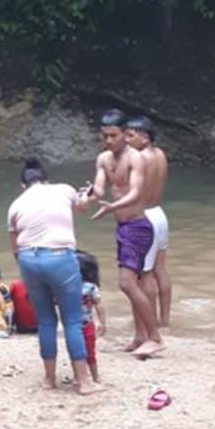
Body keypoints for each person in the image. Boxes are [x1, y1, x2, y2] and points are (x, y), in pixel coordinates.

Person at [7, 158, 100, 398]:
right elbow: (81, 207)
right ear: (46, 180)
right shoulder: (64, 189)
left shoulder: (15, 204)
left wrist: (31, 271)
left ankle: (49, 379)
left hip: (28, 259)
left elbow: (15, 249)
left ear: (23, 186)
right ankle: (83, 382)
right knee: (72, 320)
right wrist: (88, 196)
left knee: (46, 321)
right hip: (60, 257)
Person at [89, 110, 165, 359]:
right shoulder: (103, 159)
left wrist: (113, 207)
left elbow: (135, 193)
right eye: (104, 136)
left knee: (127, 282)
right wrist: (86, 196)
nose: (109, 141)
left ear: (124, 134)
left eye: (113, 136)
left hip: (139, 225)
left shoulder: (137, 159)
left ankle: (155, 337)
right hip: (123, 227)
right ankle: (142, 336)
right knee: (133, 281)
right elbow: (99, 189)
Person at [127, 115, 172, 329]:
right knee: (160, 269)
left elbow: (132, 193)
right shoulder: (160, 154)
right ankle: (164, 320)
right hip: (159, 214)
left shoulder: (140, 159)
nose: (127, 140)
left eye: (131, 135)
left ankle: (148, 323)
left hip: (144, 217)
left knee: (143, 274)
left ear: (144, 137)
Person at [76, 251, 105, 383]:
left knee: (86, 352)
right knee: (82, 352)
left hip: (81, 324)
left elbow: (98, 304)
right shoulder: (90, 287)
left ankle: (94, 376)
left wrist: (102, 322)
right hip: (84, 324)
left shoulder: (89, 288)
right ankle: (83, 376)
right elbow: (98, 305)